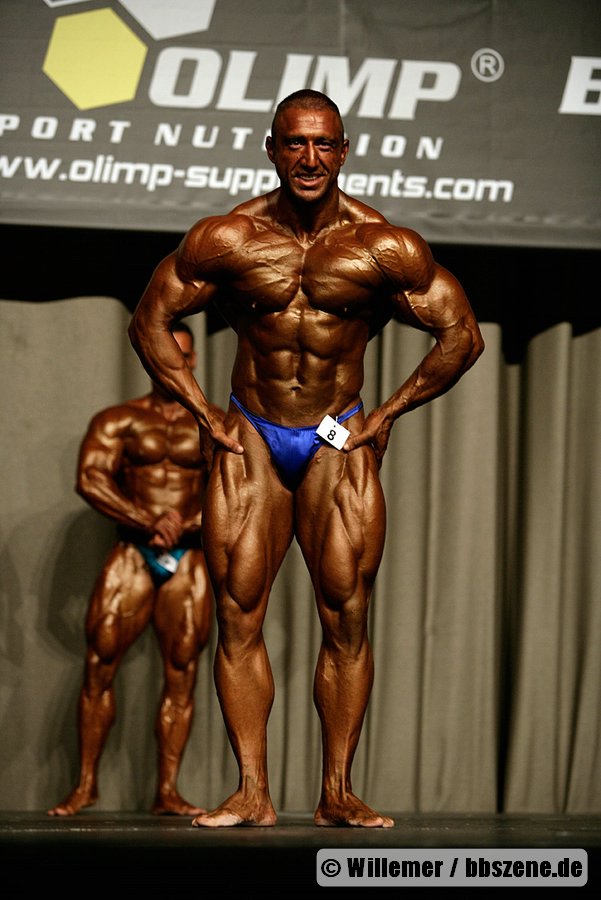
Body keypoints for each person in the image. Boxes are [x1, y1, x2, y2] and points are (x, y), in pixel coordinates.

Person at [128, 90, 485, 829]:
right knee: (238, 611)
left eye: (324, 144)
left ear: (343, 152)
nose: (310, 157)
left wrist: (387, 414)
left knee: (346, 613)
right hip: (254, 435)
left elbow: (461, 335)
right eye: (295, 143)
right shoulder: (228, 239)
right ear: (272, 149)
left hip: (334, 435)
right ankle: (251, 792)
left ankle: (337, 791)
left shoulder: (382, 246)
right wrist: (203, 411)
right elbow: (150, 320)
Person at [48, 322, 216, 817]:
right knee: (99, 664)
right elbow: (90, 478)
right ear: (150, 356)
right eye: (166, 353)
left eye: (183, 354)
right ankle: (85, 786)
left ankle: (168, 791)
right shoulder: (119, 420)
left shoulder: (214, 423)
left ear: (193, 361)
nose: (175, 362)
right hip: (132, 551)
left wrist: (187, 523)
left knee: (182, 671)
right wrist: (148, 520)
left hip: (189, 555)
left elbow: (239, 490)